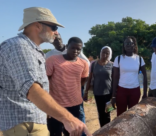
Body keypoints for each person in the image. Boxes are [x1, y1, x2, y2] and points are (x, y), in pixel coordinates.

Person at [0, 7, 90, 136]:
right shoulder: (17, 46)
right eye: (53, 27)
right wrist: (68, 118)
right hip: (22, 123)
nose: (56, 32)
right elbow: (32, 89)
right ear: (37, 26)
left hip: (34, 120)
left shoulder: (34, 50)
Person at [45, 33, 90, 136]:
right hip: (56, 104)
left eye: (78, 49)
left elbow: (83, 79)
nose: (75, 51)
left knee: (71, 132)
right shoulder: (52, 60)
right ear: (67, 46)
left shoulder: (83, 63)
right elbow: (46, 80)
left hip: (74, 104)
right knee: (55, 132)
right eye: (73, 48)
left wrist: (72, 88)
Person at [111, 36, 148, 116]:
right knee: (121, 114)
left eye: (130, 43)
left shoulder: (139, 59)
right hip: (121, 90)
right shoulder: (118, 59)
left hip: (135, 91)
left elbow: (145, 76)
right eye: (126, 43)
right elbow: (115, 78)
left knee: (133, 115)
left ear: (134, 45)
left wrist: (145, 93)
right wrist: (113, 96)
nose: (128, 45)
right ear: (124, 45)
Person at [83, 46, 113, 127]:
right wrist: (86, 92)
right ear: (100, 53)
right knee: (100, 113)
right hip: (98, 93)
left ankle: (107, 130)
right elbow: (90, 79)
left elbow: (114, 80)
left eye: (107, 53)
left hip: (108, 94)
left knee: (108, 113)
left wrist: (114, 95)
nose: (105, 54)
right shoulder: (94, 64)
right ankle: (102, 130)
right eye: (103, 52)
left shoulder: (112, 65)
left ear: (110, 54)